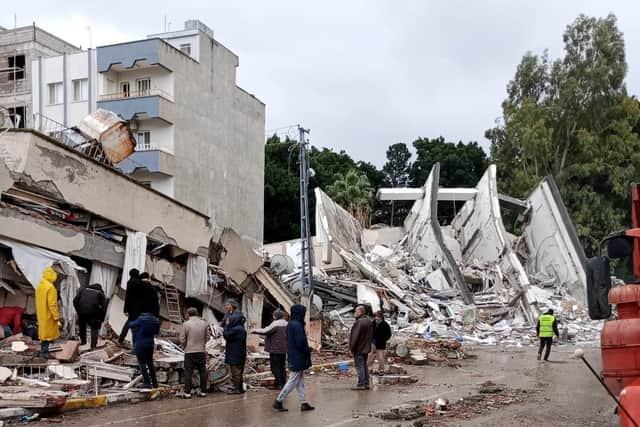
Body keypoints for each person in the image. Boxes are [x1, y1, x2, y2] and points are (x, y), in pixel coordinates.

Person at [273, 304, 315, 412]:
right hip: (298, 356)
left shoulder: (292, 324)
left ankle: (303, 402)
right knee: (293, 380)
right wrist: (307, 350)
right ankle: (279, 400)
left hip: (294, 355)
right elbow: (300, 342)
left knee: (299, 380)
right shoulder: (297, 325)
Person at [252, 309, 288, 389]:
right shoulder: (287, 323)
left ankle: (278, 384)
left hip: (275, 349)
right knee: (282, 366)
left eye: (273, 315)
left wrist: (254, 330)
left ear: (275, 316)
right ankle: (283, 383)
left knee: (275, 367)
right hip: (284, 349)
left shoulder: (275, 324)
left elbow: (266, 331)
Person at [181, 307, 209, 398]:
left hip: (189, 351)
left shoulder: (186, 324)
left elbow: (182, 339)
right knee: (202, 371)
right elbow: (207, 337)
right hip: (201, 350)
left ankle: (187, 393)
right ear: (197, 313)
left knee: (188, 372)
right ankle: (203, 391)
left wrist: (184, 346)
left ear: (188, 314)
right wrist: (202, 344)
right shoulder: (204, 324)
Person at [129, 312, 160, 389]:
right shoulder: (156, 320)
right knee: (150, 363)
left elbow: (131, 325)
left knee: (142, 363)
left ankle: (147, 383)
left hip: (140, 343)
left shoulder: (141, 319)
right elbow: (157, 332)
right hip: (150, 344)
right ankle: (155, 383)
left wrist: (130, 321)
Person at [35, 266, 61, 358]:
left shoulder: (40, 285)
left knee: (43, 333)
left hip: (41, 313)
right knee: (47, 335)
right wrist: (56, 316)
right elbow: (52, 304)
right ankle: (45, 352)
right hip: (48, 314)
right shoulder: (51, 288)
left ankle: (43, 350)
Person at [222, 299, 247, 394]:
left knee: (235, 371)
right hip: (239, 353)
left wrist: (226, 326)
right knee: (239, 371)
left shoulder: (236, 329)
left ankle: (237, 389)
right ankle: (239, 388)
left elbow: (226, 335)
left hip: (234, 353)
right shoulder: (241, 329)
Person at [73, 283, 106, 349]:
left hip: (81, 311)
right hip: (94, 313)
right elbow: (104, 308)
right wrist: (101, 319)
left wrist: (78, 310)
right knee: (94, 329)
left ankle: (83, 342)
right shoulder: (100, 294)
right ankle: (93, 346)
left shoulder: (83, 290)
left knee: (82, 327)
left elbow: (75, 301)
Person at [349, 305, 373, 390]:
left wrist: (351, 348)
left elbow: (355, 336)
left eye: (355, 311)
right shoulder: (369, 321)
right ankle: (366, 383)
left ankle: (361, 384)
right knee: (364, 365)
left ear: (360, 312)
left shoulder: (359, 322)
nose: (354, 313)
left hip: (359, 348)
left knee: (360, 366)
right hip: (366, 347)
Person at [119, 269, 141, 345]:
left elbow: (128, 297)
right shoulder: (140, 283)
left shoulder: (130, 282)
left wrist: (125, 309)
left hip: (132, 307)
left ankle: (121, 339)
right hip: (139, 308)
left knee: (130, 324)